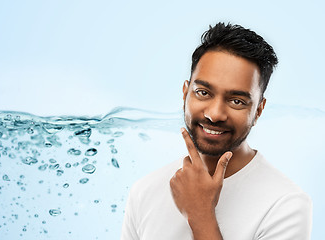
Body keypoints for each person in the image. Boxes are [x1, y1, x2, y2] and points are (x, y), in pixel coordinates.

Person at [121, 22, 312, 240]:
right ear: (185, 93)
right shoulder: (144, 192)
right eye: (203, 92)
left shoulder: (286, 205)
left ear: (258, 110)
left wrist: (200, 215)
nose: (215, 114)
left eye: (237, 101)